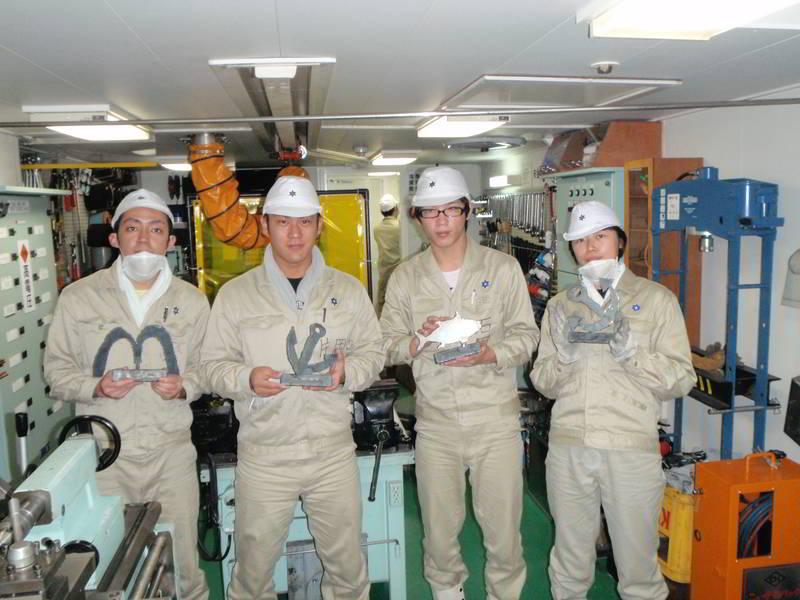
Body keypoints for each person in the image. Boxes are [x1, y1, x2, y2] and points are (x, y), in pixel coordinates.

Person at [200, 175, 384, 600]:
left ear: (319, 225)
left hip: (332, 454)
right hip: (265, 456)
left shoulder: (348, 289)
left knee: (348, 571)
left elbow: (373, 354)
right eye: (283, 222)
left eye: (304, 222)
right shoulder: (235, 295)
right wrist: (245, 379)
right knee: (252, 576)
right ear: (265, 225)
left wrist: (348, 373)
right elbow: (210, 367)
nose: (295, 233)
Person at [380, 166, 539, 600]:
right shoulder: (406, 277)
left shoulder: (502, 269)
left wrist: (491, 354)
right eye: (430, 213)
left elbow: (526, 336)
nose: (441, 221)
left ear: (466, 211)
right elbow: (385, 344)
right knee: (438, 533)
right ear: (418, 218)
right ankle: (448, 593)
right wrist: (417, 341)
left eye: (450, 210)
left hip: (495, 422)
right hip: (437, 425)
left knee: (504, 533)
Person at [44, 189, 210, 600]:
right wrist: (95, 386)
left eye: (156, 229)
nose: (144, 238)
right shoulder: (78, 297)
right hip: (105, 459)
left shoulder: (192, 301)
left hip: (171, 456)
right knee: (108, 571)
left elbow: (209, 368)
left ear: (171, 241)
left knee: (183, 567)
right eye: (132, 228)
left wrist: (185, 386)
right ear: (114, 237)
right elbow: (56, 373)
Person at [530, 200, 695, 600]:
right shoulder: (560, 306)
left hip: (630, 448)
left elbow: (681, 379)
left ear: (619, 242)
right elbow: (543, 382)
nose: (590, 248)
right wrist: (565, 356)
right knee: (569, 561)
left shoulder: (656, 300)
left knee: (637, 567)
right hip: (570, 448)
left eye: (600, 237)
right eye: (580, 241)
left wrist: (632, 354)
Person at [373, 193, 401, 316]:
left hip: (384, 272)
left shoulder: (377, 229)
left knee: (382, 303)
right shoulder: (399, 227)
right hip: (398, 270)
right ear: (395, 209)